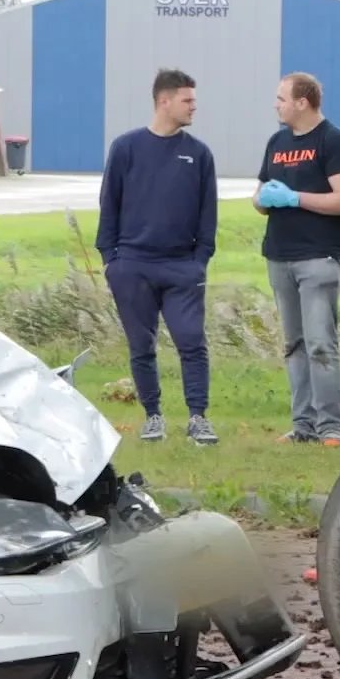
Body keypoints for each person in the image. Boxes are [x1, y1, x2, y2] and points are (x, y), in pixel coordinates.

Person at [95, 68, 220, 445]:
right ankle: (153, 416)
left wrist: (200, 260)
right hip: (132, 265)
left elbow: (208, 213)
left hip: (182, 266)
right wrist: (111, 260)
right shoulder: (126, 147)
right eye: (187, 100)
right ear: (163, 101)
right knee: (141, 345)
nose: (194, 107)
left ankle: (198, 417)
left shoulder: (198, 154)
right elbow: (109, 205)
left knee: (191, 341)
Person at [254, 71, 340, 447]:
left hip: (319, 257)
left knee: (320, 343)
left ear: (303, 102)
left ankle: (331, 425)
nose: (276, 104)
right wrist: (263, 199)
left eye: (281, 98)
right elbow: (261, 194)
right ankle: (304, 425)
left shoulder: (334, 142)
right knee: (294, 344)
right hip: (280, 255)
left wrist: (295, 198)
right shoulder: (277, 142)